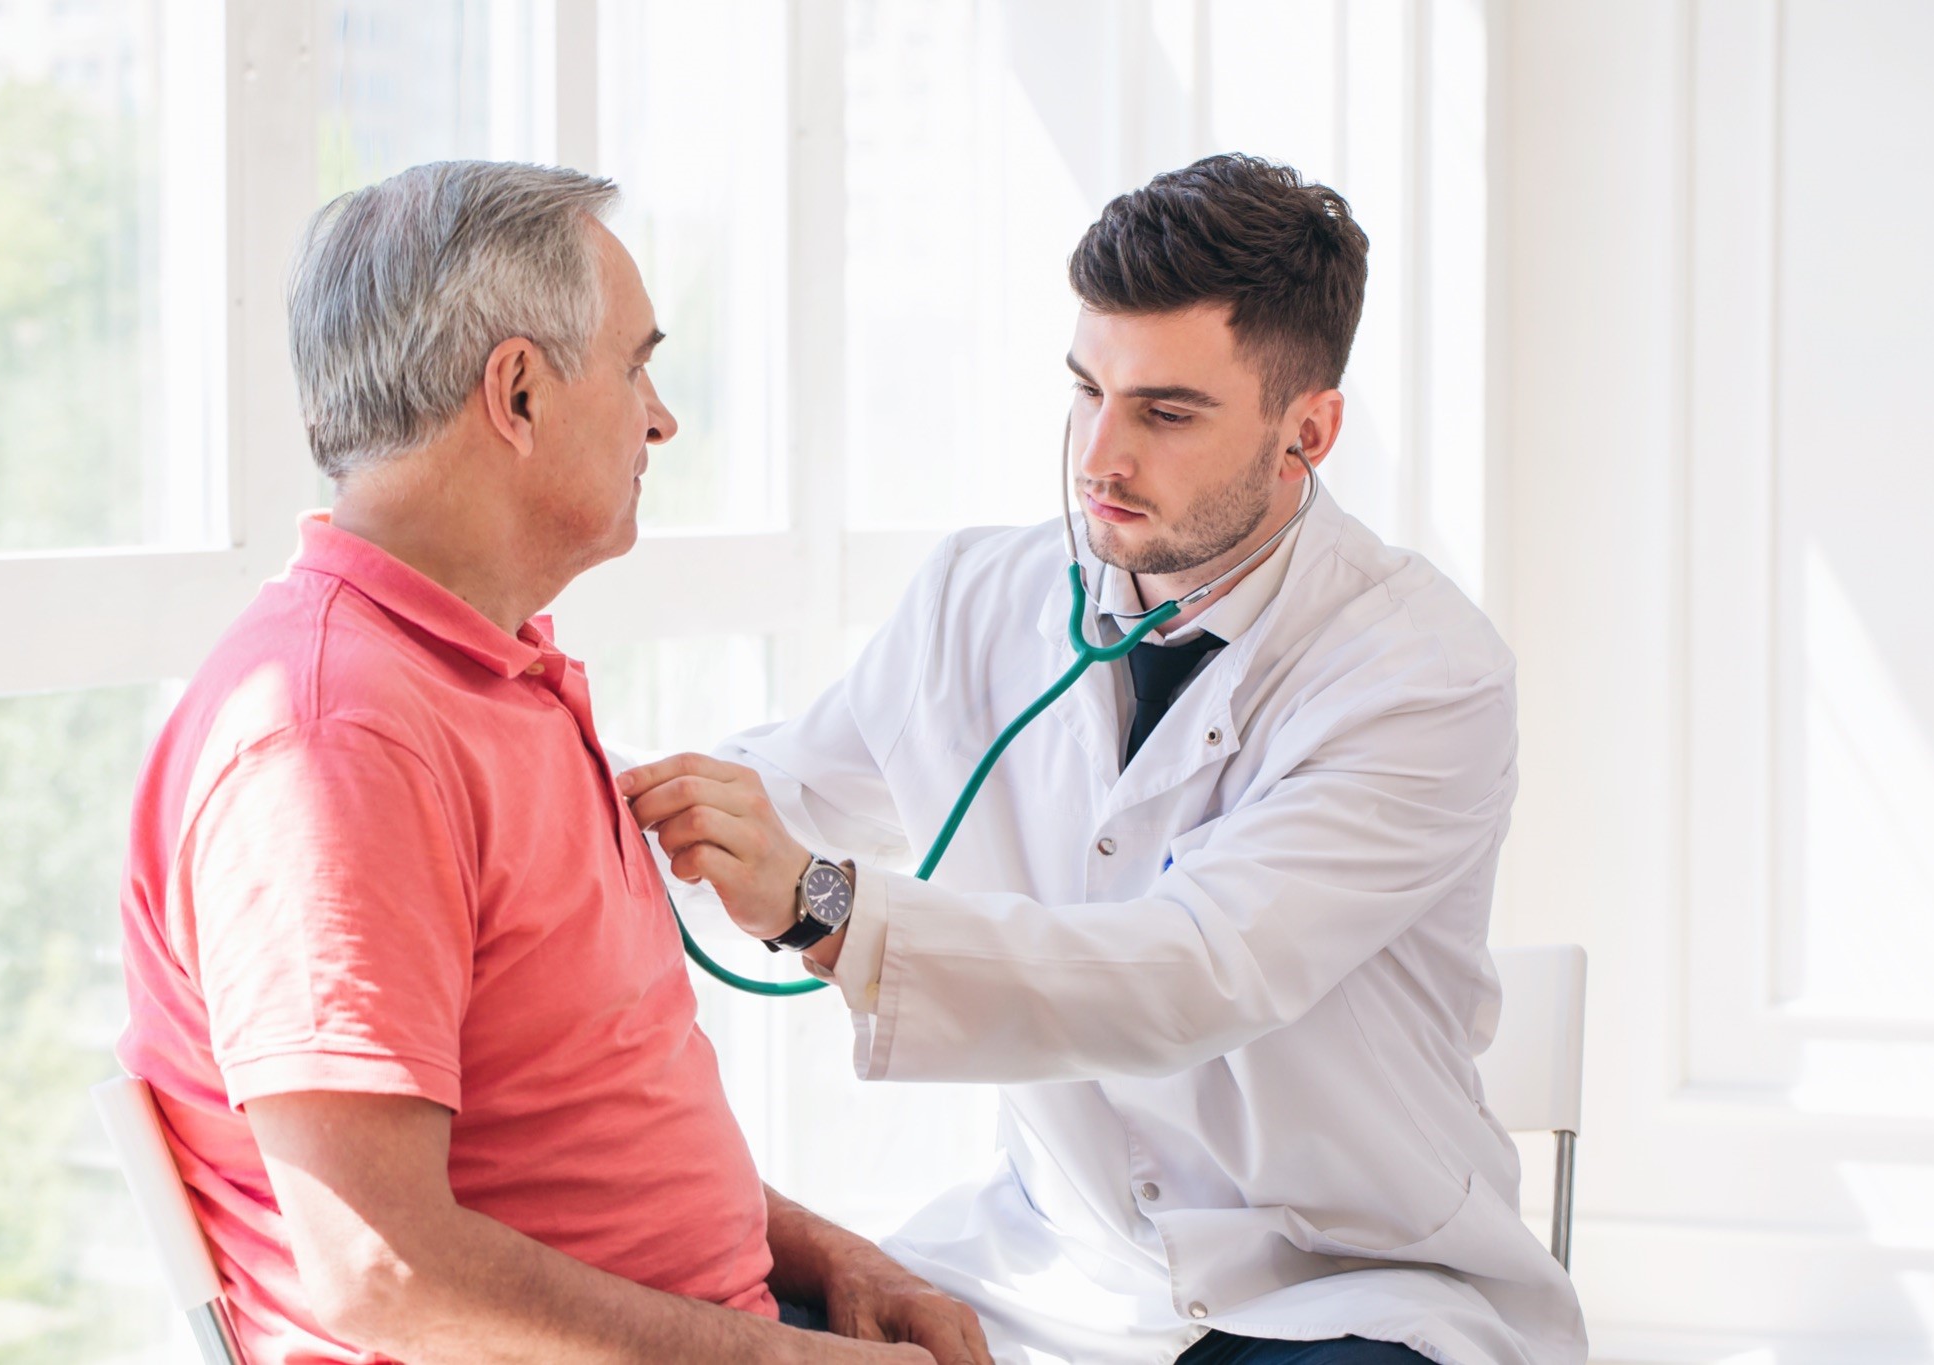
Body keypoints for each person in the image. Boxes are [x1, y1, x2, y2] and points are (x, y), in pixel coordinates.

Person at [620, 154, 1588, 1365]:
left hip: (1338, 1285)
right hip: (1045, 1271)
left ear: (1308, 433)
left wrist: (822, 906)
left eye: (1165, 413)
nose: (1098, 457)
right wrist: (533, 775)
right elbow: (774, 788)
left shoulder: (1418, 672)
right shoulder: (978, 598)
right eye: (1086, 391)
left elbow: (1189, 972)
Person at [116, 161, 990, 1365]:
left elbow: (580, 1134)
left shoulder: (488, 672)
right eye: (636, 365)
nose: (660, 416)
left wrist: (834, 1260)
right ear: (517, 393)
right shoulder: (334, 741)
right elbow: (382, 1272)